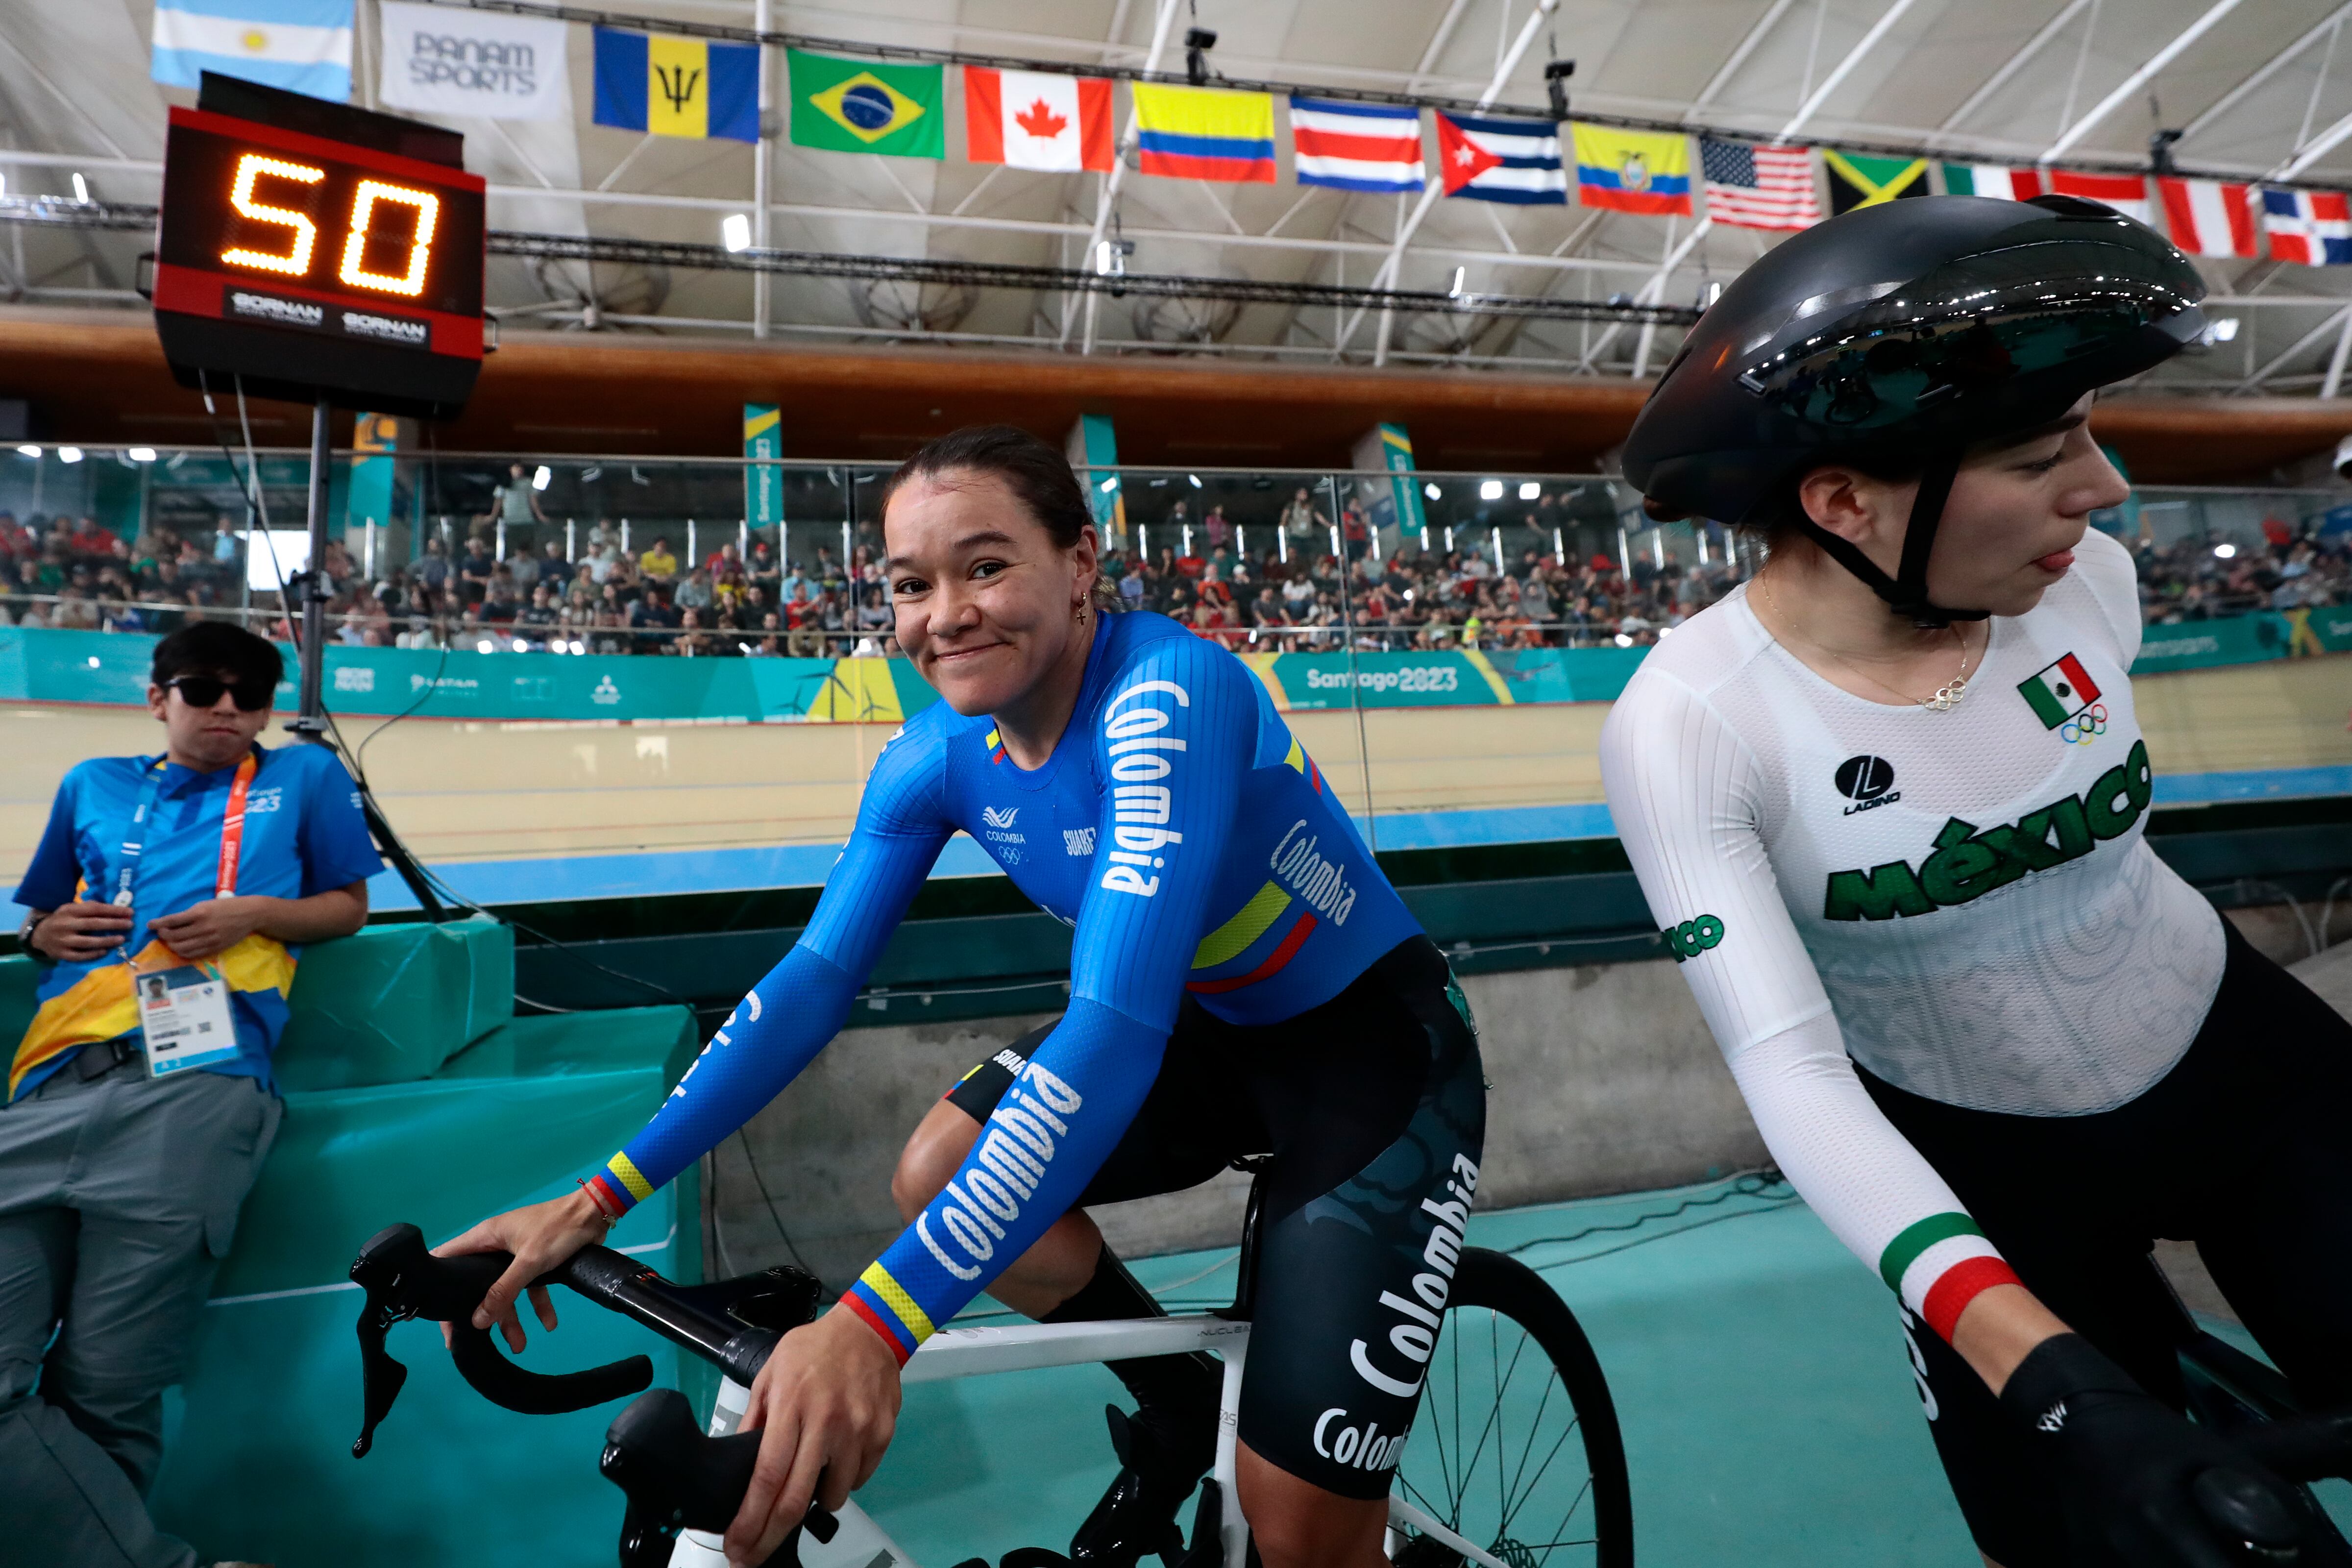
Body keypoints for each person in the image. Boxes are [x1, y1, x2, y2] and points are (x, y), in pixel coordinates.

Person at [441, 426, 1484, 1568]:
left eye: (986, 566)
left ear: (1081, 565)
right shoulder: (933, 759)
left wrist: (878, 1322)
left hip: (1370, 1059)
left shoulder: (1169, 692)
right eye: (910, 583)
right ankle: (1176, 1397)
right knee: (937, 1163)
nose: (946, 614)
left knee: (1299, 1545)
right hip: (1211, 1030)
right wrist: (598, 1197)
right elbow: (814, 979)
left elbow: (1115, 1024)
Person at [1602, 194, 2352, 1568]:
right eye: (2039, 452)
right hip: (1987, 1170)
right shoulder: (1691, 725)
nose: (2105, 490)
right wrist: (2053, 1382)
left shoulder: (2088, 582)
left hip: (2248, 1072)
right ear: (1844, 501)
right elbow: (1794, 1074)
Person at [1, 622, 381, 1568]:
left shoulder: (304, 779)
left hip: (195, 1091)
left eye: (250, 695)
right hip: (46, 1090)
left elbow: (348, 905)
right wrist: (47, 932)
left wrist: (254, 913)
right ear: (157, 696)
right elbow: (41, 914)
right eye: (204, 690)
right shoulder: (92, 782)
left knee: (107, 1391)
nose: (227, 710)